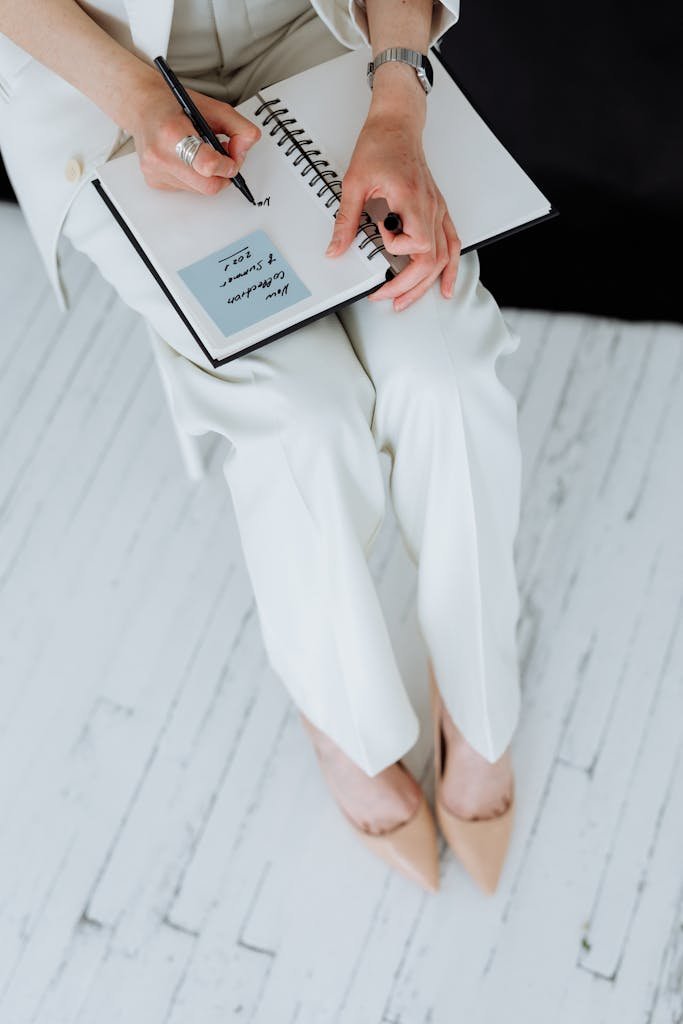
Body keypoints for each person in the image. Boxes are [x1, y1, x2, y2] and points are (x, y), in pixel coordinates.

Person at [0, 0, 523, 894]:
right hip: (106, 78)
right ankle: (341, 719)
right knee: (300, 419)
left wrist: (397, 91)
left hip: (324, 36)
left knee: (445, 376)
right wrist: (135, 99)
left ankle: (479, 709)